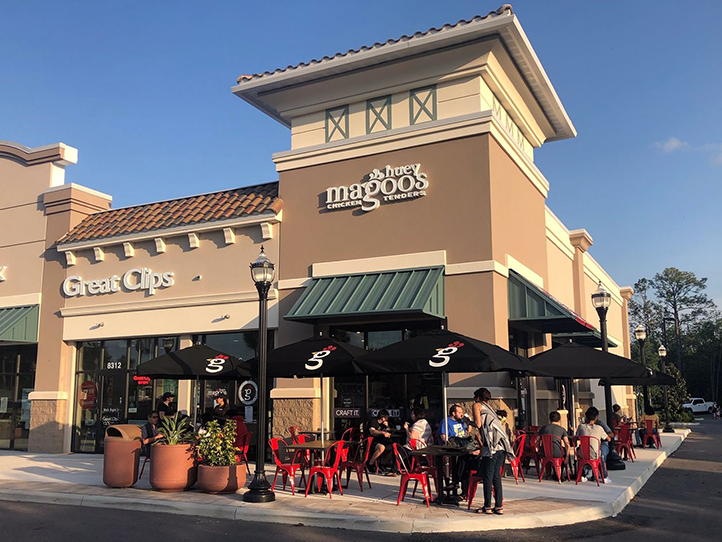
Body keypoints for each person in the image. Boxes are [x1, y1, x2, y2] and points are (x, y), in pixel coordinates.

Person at [472, 387, 513, 515]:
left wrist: (468, 421)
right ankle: (499, 506)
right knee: (496, 476)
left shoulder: (477, 405)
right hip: (501, 446)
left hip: (491, 447)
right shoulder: (490, 409)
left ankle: (487, 506)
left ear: (478, 397)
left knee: (487, 477)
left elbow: (478, 424)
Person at [576, 407, 612, 483]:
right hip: (595, 453)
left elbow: (576, 437)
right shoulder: (599, 428)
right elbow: (609, 438)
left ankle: (583, 474)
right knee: (600, 456)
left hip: (583, 453)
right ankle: (604, 476)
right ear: (596, 417)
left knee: (580, 451)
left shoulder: (581, 426)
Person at [538, 411, 571, 479]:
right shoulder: (562, 430)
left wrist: (538, 449)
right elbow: (567, 444)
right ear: (559, 420)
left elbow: (536, 440)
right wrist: (567, 458)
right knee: (564, 451)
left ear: (549, 419)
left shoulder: (543, 428)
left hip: (545, 453)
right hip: (557, 453)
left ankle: (551, 472)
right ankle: (559, 473)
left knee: (551, 453)